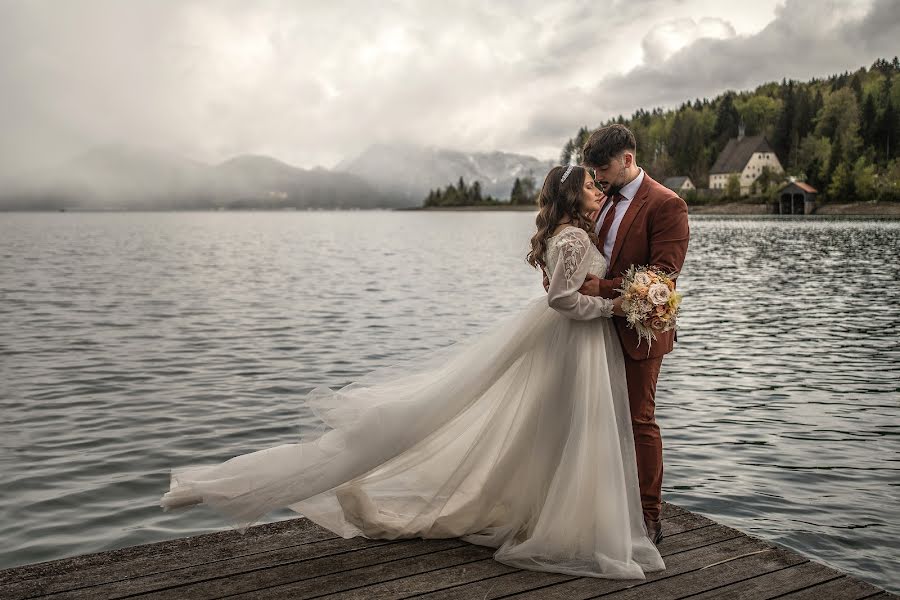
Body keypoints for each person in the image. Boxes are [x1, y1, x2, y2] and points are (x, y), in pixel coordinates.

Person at [160, 164, 665, 579]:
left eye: (600, 184)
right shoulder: (573, 239)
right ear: (573, 196)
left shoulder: (569, 233)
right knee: (554, 429)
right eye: (592, 186)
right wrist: (617, 308)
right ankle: (221, 485)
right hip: (572, 341)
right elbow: (560, 299)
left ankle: (550, 512)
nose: (599, 191)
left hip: (573, 346)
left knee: (556, 431)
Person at [574, 124, 690, 543]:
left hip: (639, 331)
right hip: (593, 329)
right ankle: (600, 503)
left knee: (639, 420)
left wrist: (601, 289)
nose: (598, 178)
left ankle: (648, 516)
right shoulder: (601, 200)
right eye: (593, 170)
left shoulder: (666, 204)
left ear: (627, 159)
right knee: (595, 416)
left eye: (603, 168)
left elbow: (664, 276)